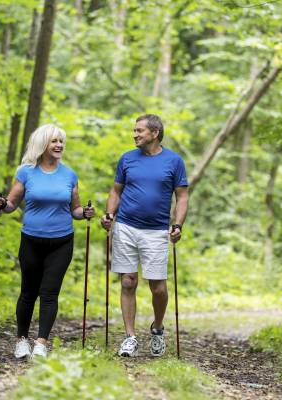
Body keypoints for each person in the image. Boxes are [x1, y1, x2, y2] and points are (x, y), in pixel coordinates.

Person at [0, 124, 95, 359]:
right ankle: (21, 340)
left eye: (61, 141)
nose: (59, 145)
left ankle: (41, 343)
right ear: (43, 144)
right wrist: (0, 205)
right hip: (31, 240)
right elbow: (10, 205)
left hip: (61, 242)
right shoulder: (26, 172)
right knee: (28, 291)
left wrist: (86, 213)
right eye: (54, 141)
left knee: (50, 293)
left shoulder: (69, 175)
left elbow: (76, 210)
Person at [101, 114, 189, 357]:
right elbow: (115, 190)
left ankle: (158, 328)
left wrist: (178, 224)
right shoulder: (127, 159)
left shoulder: (174, 161)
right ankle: (130, 337)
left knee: (158, 287)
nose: (135, 134)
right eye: (135, 130)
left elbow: (182, 196)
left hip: (157, 230)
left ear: (155, 133)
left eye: (140, 131)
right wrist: (109, 214)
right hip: (126, 226)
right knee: (128, 281)